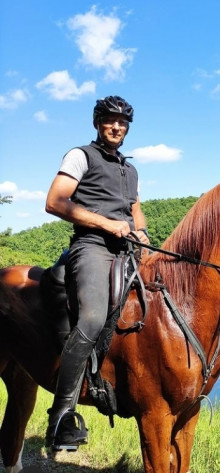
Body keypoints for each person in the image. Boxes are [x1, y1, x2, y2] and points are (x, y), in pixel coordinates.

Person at [45, 95, 150, 450]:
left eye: (123, 122)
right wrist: (107, 224)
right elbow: (55, 201)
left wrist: (144, 236)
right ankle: (62, 416)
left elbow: (136, 212)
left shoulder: (130, 169)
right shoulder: (80, 156)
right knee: (91, 318)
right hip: (92, 247)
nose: (117, 126)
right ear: (98, 122)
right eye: (110, 120)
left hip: (128, 250)